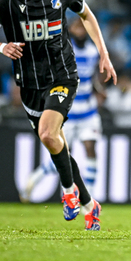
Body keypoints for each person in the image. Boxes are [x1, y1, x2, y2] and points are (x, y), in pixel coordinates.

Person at [0, 0, 116, 231]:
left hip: (62, 76)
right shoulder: (6, 0)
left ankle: (68, 192)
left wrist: (104, 53)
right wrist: (2, 48)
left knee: (48, 133)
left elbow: (87, 15)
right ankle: (90, 204)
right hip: (29, 85)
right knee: (55, 143)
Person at [19, 17, 105, 202]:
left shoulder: (92, 52)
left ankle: (88, 195)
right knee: (63, 155)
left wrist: (99, 90)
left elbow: (90, 78)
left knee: (91, 148)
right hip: (69, 112)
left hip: (89, 112)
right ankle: (36, 176)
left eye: (83, 28)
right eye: (77, 27)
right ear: (70, 30)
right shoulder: (64, 51)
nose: (81, 31)